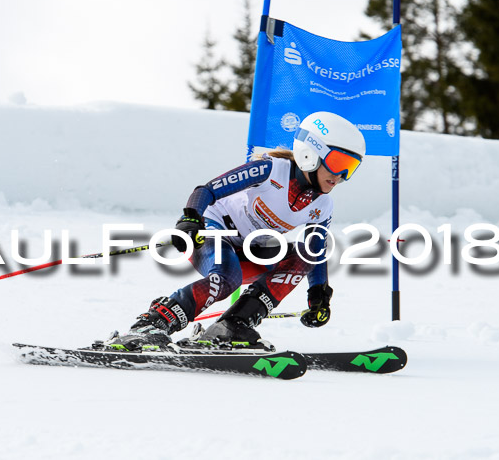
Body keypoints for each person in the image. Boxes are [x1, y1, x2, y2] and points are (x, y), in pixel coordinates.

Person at [107, 111, 366, 351]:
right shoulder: (269, 170)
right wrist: (190, 219)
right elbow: (206, 191)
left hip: (252, 250)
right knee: (227, 278)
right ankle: (153, 323)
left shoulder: (322, 205)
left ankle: (232, 326)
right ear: (311, 153)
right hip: (212, 232)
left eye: (351, 168)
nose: (341, 175)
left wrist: (318, 294)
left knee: (302, 253)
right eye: (338, 163)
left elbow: (315, 252)